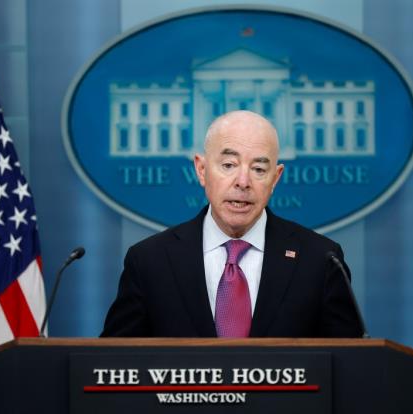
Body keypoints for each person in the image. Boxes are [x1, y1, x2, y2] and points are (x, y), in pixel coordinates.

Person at [101, 110, 362, 338]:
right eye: (228, 164)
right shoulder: (149, 261)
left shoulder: (320, 260)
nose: (243, 181)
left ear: (275, 178)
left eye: (259, 169)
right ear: (201, 170)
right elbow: (110, 366)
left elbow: (351, 366)